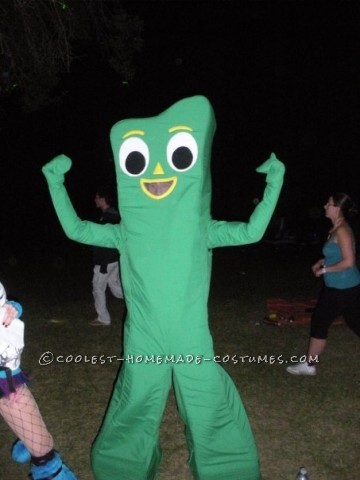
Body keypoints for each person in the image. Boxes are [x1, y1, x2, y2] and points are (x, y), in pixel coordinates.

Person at [0, 281, 76, 479]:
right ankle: (46, 465)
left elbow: (7, 304)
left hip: (8, 366)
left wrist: (13, 308)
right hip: (4, 376)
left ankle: (31, 440)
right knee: (44, 454)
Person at [287, 192, 360, 376]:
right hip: (345, 286)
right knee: (354, 321)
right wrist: (322, 261)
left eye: (329, 203)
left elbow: (349, 262)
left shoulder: (342, 230)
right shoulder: (335, 228)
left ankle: (309, 365)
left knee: (320, 321)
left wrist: (325, 270)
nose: (325, 206)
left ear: (337, 207)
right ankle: (309, 364)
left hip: (342, 287)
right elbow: (337, 253)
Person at [89, 189, 124, 326]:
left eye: (97, 197)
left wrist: (103, 264)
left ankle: (103, 318)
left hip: (106, 261)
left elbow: (108, 242)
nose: (95, 200)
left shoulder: (109, 217)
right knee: (115, 287)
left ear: (103, 200)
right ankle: (139, 299)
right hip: (114, 260)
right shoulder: (111, 215)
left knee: (98, 288)